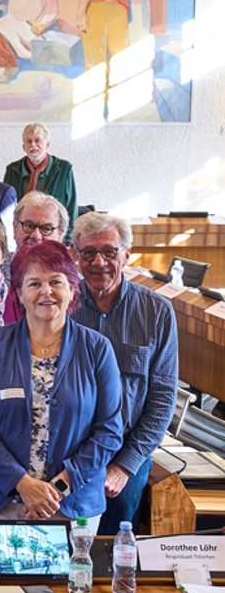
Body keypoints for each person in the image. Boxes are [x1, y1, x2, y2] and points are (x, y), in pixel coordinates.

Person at [0, 241, 123, 523]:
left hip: (70, 505)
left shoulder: (97, 348)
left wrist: (57, 488)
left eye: (56, 282)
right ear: (19, 294)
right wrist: (24, 485)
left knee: (74, 570)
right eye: (34, 283)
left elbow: (109, 431)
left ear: (72, 289)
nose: (45, 292)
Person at [71, 212, 178, 534]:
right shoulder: (61, 304)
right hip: (68, 457)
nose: (98, 261)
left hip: (125, 458)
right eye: (88, 252)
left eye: (109, 251)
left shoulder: (156, 311)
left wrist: (123, 466)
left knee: (111, 557)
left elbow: (162, 400)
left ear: (127, 254)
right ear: (76, 256)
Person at [4, 191, 71, 324]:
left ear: (60, 235)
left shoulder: (73, 282)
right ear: (14, 227)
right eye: (28, 226)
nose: (35, 236)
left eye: (46, 228)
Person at [3, 124, 78, 232]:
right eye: (29, 141)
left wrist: (67, 239)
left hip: (52, 233)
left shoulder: (64, 169)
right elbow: (7, 208)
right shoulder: (13, 170)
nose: (33, 145)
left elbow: (71, 206)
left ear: (47, 145)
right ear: (23, 147)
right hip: (22, 233)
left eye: (37, 140)